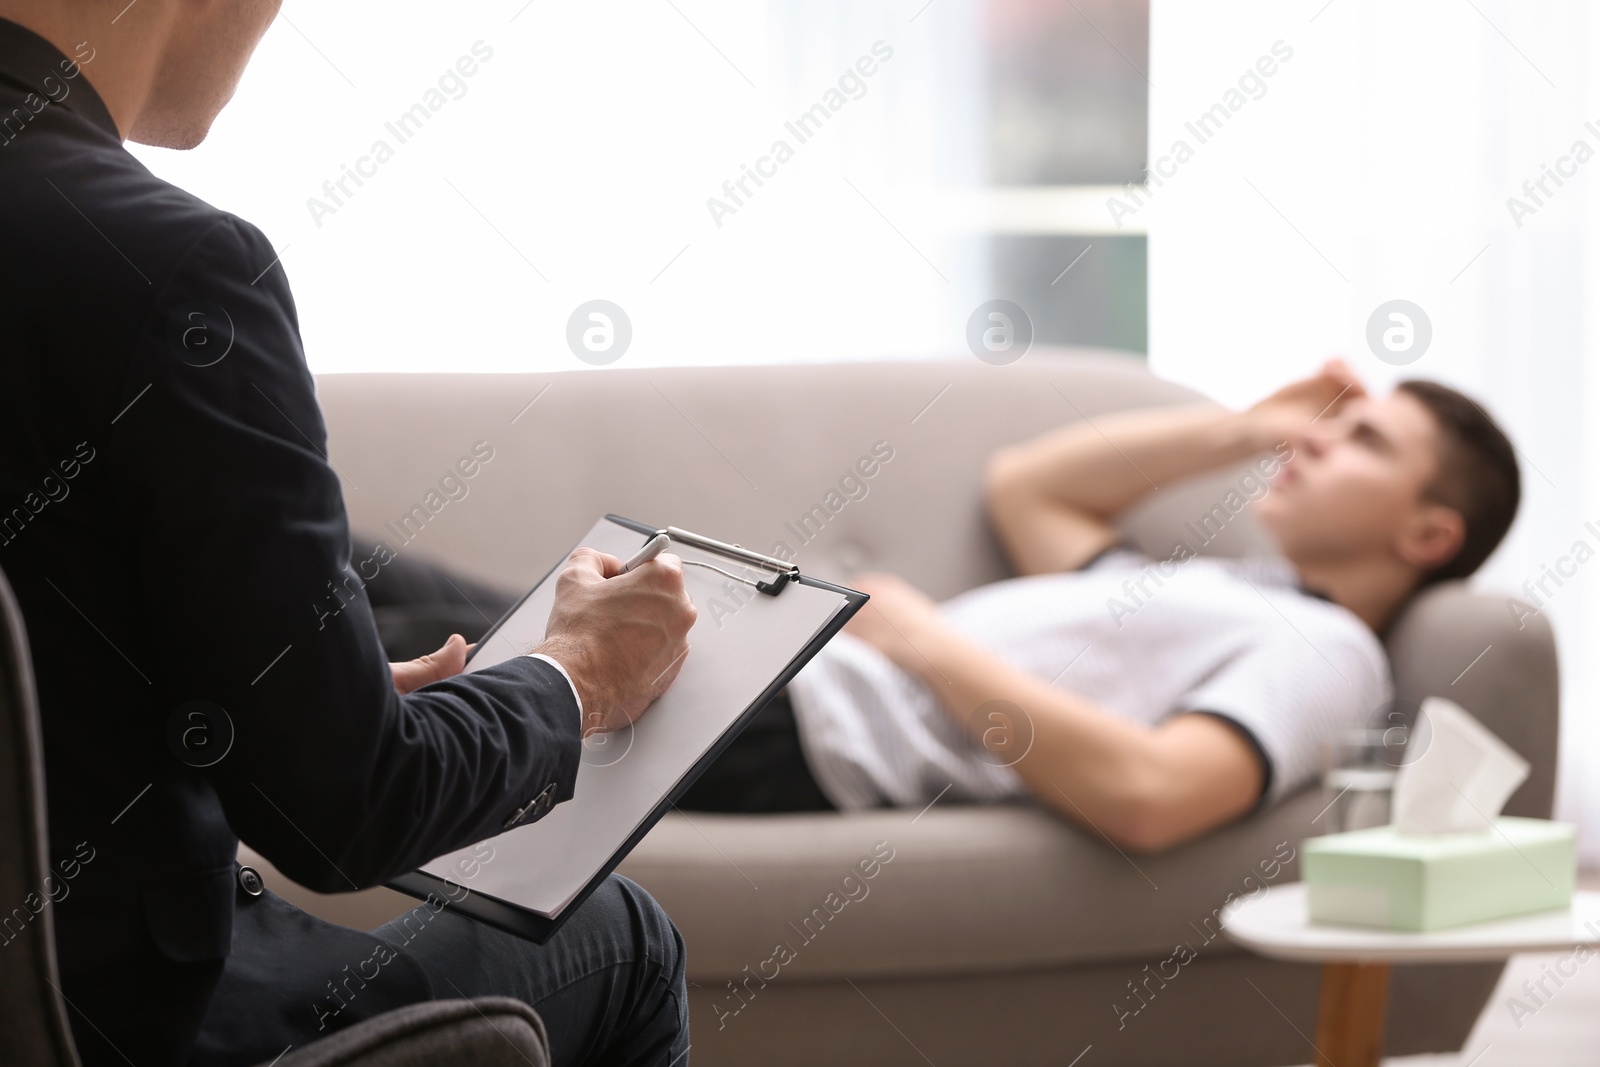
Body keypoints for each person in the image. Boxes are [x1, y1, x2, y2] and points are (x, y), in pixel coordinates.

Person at [0, 3, 694, 1065]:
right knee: (624, 938)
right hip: (119, 1018)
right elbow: (344, 819)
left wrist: (292, 701)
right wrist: (577, 677)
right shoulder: (168, 265)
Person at [675, 362, 1521, 852]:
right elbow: (1027, 487)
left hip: (805, 727)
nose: (1319, 438)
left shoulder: (1331, 651)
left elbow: (1151, 795)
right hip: (781, 676)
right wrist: (1248, 429)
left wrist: (925, 642)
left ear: (1428, 534)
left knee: (552, 662)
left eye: (1365, 440)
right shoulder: (1239, 593)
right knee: (562, 620)